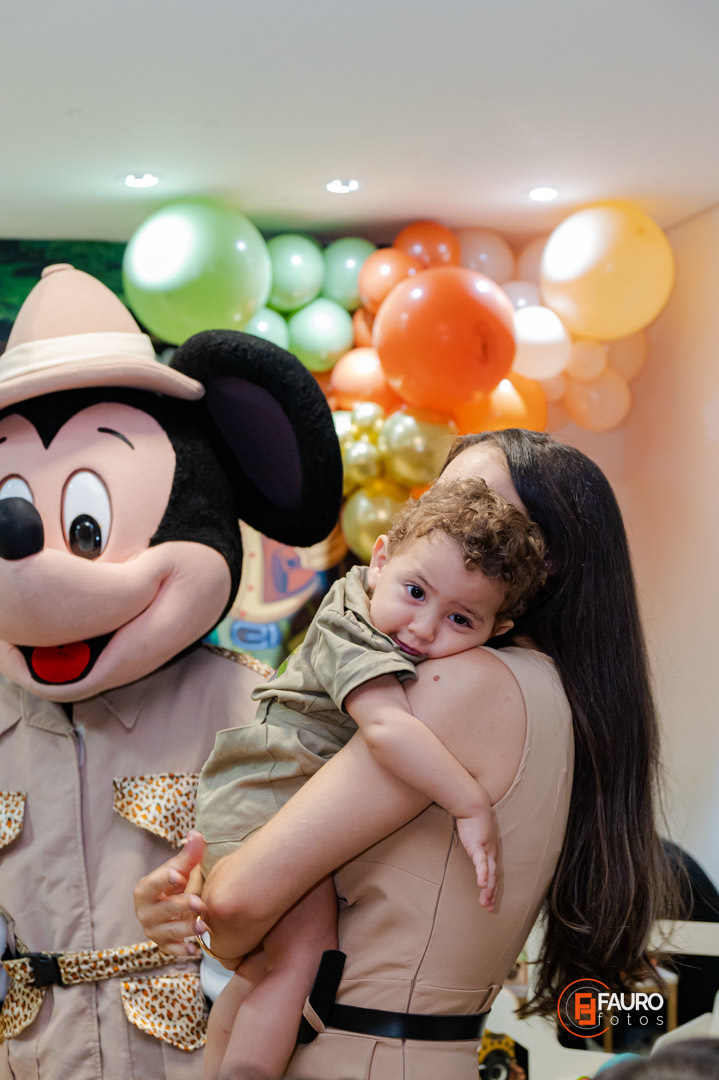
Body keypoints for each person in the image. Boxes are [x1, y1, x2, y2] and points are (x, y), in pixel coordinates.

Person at [135, 429, 677, 1080]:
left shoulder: (463, 683)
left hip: (354, 1055)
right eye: (442, 498)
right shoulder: (552, 692)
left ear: (540, 564)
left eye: (483, 509)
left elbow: (236, 904)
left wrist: (207, 911)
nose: (456, 523)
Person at [193, 477, 546, 1080]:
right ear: (380, 560)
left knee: (263, 968)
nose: (424, 627)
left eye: (460, 618)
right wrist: (469, 803)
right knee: (304, 962)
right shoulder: (352, 623)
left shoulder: (385, 620)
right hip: (266, 789)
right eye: (416, 591)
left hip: (261, 788)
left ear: (498, 631)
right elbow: (385, 728)